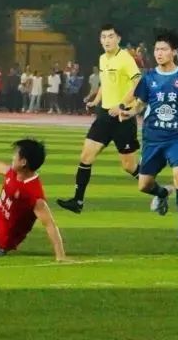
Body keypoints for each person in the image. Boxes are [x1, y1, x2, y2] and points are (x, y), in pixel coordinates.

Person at [120, 29, 178, 241]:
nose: (159, 53)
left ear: (174, 52)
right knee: (144, 185)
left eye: (164, 49)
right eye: (157, 49)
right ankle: (162, 193)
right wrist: (129, 112)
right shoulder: (149, 77)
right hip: (153, 137)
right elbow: (140, 104)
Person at [57, 24, 142, 214]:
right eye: (103, 37)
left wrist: (121, 105)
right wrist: (95, 100)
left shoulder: (125, 58)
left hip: (123, 117)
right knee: (86, 157)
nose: (107, 40)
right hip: (104, 116)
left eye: (111, 36)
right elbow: (106, 83)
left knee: (129, 166)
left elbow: (138, 83)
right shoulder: (103, 58)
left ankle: (159, 191)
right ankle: (77, 201)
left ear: (118, 39)